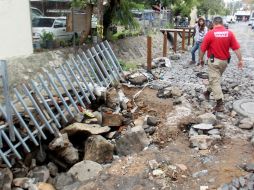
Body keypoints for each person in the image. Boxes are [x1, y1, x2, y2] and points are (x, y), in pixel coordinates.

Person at [199, 16, 244, 112]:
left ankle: (220, 104)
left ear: (214, 23)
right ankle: (207, 92)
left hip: (214, 61)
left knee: (214, 80)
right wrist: (240, 60)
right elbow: (236, 48)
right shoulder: (229, 33)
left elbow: (202, 49)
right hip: (224, 62)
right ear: (222, 23)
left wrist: (201, 59)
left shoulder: (210, 33)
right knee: (215, 78)